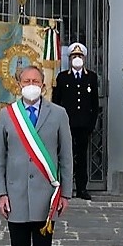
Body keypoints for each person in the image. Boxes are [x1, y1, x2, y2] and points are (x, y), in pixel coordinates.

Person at [0, 65, 72, 246]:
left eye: (35, 80)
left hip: (45, 198)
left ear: (43, 85)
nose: (30, 84)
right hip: (15, 196)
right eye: (26, 80)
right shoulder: (7, 115)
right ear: (18, 85)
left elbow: (66, 157)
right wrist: (1, 193)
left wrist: (66, 194)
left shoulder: (59, 114)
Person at [53, 41, 101, 200]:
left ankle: (82, 188)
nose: (77, 58)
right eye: (74, 56)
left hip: (83, 125)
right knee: (65, 156)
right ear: (70, 58)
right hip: (66, 124)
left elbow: (95, 104)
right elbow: (56, 102)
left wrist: (91, 124)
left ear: (84, 58)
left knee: (81, 157)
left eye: (80, 55)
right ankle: (64, 188)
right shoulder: (62, 77)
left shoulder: (91, 77)